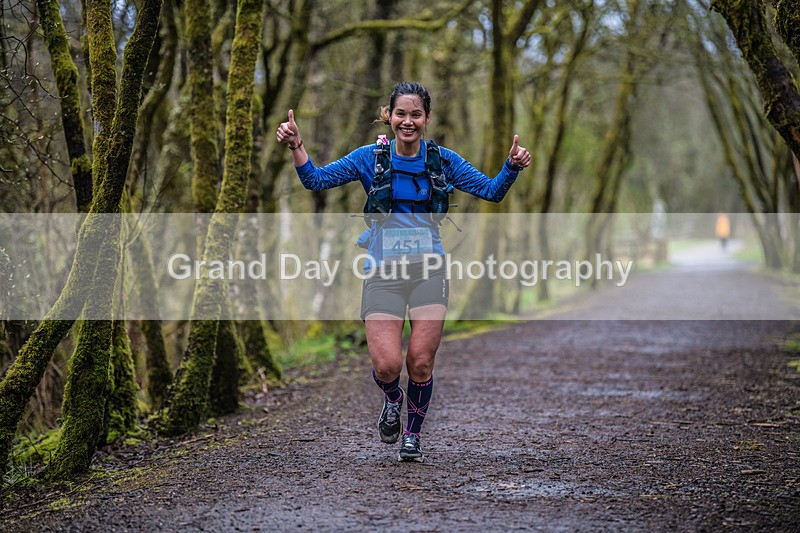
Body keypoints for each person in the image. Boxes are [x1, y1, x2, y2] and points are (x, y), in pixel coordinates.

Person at [277, 82, 531, 462]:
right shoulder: (369, 158)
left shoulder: (443, 161)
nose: (407, 121)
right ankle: (393, 400)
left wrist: (511, 167)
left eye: (416, 114)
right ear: (388, 116)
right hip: (383, 272)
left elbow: (492, 191)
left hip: (429, 270)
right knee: (387, 364)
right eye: (401, 114)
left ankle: (412, 436)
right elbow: (316, 180)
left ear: (426, 119)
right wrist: (297, 145)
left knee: (421, 362)